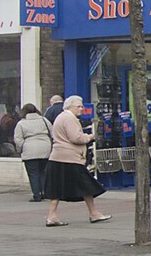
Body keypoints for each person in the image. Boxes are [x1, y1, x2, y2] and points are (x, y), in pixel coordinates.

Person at [43, 94, 109, 226]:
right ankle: (93, 213)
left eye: (81, 106)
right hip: (70, 158)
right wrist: (89, 137)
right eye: (78, 106)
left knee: (57, 187)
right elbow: (75, 138)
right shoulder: (69, 118)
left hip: (58, 157)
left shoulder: (61, 117)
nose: (81, 109)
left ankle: (52, 215)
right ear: (70, 106)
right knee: (86, 185)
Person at [14, 102, 51, 200]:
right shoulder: (44, 120)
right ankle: (45, 192)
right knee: (43, 172)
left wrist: (20, 150)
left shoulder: (21, 123)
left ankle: (37, 195)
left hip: (29, 149)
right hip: (45, 148)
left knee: (33, 173)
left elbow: (18, 140)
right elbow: (52, 133)